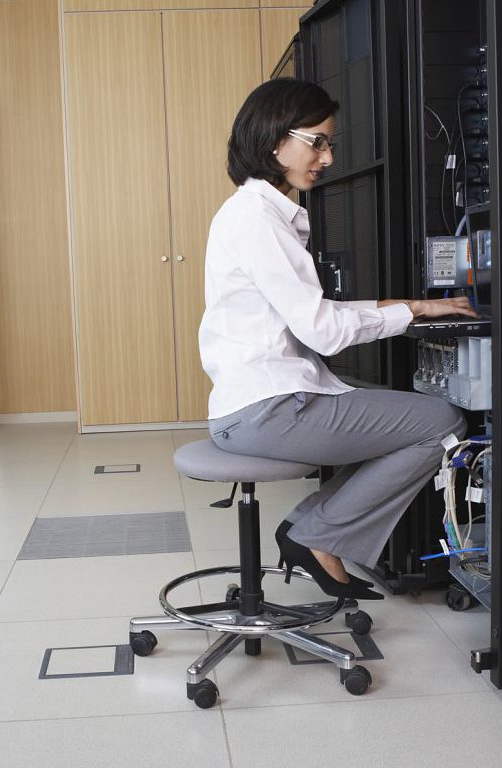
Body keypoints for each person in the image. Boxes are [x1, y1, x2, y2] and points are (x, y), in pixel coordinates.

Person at [200, 78, 478, 600]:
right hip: (270, 410)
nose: (326, 158)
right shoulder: (258, 220)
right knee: (440, 423)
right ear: (274, 140)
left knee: (385, 417)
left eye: (330, 143)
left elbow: (314, 312)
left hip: (251, 408)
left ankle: (309, 531)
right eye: (318, 142)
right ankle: (316, 536)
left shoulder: (253, 213)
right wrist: (402, 316)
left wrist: (412, 307)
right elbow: (322, 331)